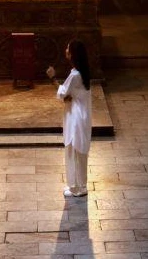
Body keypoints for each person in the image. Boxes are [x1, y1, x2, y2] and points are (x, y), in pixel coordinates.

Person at [48, 40, 92, 198]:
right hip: (81, 115)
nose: (65, 49)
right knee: (79, 152)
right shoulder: (82, 72)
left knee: (74, 151)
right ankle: (79, 185)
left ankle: (77, 187)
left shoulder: (75, 75)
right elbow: (69, 95)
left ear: (72, 53)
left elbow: (62, 93)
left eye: (68, 48)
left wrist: (52, 79)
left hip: (75, 118)